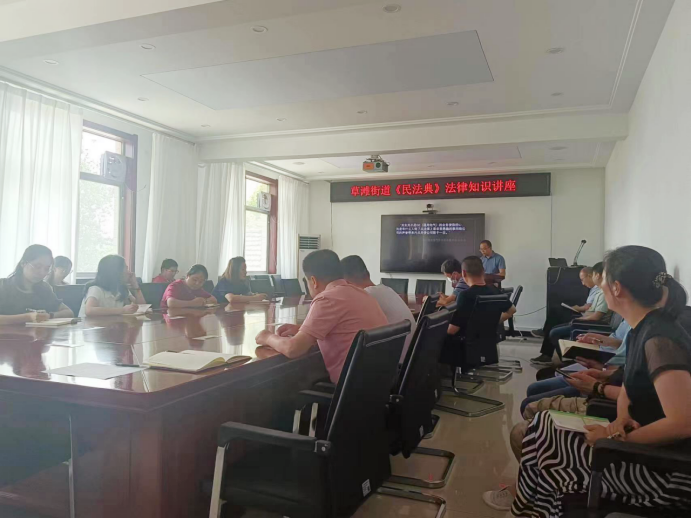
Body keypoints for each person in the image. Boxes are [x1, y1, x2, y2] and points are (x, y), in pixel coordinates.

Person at [485, 245, 691, 517]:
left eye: (603, 279)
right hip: (636, 442)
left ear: (616, 288)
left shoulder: (660, 339)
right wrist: (620, 419)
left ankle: (532, 501)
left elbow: (683, 422)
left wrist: (614, 437)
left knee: (538, 435)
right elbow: (629, 389)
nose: (600, 285)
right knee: (542, 426)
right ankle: (531, 500)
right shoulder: (643, 327)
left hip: (658, 469)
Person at [254, 249, 388, 384]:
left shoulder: (327, 299)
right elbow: (345, 328)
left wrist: (267, 337)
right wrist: (303, 329)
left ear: (313, 281)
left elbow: (293, 349)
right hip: (380, 383)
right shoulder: (363, 294)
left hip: (352, 387)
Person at [531, 261, 611, 366]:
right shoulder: (598, 291)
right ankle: (552, 347)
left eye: (583, 279)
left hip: (589, 324)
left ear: (597, 275)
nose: (582, 283)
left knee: (554, 328)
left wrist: (579, 318)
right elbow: (591, 308)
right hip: (585, 319)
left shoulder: (603, 293)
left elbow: (596, 315)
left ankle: (564, 360)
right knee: (555, 315)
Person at [341, 255, 417, 362]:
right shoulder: (387, 289)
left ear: (346, 282)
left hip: (395, 364)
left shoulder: (365, 296)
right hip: (411, 360)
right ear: (368, 273)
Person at [0, 245, 74, 325]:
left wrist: (49, 315)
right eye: (37, 267)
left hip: (37, 333)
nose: (42, 272)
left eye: (47, 268)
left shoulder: (44, 288)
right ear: (23, 263)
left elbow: (69, 312)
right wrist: (28, 317)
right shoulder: (3, 286)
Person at [447, 256, 516, 338]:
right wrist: (492, 322)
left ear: (463, 273)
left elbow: (452, 330)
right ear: (483, 271)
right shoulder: (495, 291)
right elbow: (512, 310)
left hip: (466, 343)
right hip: (489, 343)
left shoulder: (465, 295)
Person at [531, 266, 597, 338]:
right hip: (584, 314)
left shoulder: (598, 290)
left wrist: (579, 308)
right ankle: (546, 332)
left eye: (582, 280)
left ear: (589, 276)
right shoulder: (593, 288)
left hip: (584, 317)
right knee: (555, 310)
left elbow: (589, 306)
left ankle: (546, 332)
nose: (582, 283)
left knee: (556, 312)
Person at [79, 255, 146, 317]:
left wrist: (135, 285)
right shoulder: (95, 289)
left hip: (110, 324)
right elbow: (89, 310)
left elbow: (142, 306)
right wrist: (123, 310)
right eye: (126, 269)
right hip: (89, 325)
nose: (129, 273)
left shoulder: (121, 289)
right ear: (116, 271)